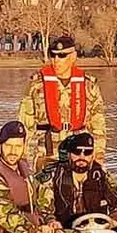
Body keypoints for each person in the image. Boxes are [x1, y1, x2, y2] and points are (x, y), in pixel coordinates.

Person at [18, 35, 107, 172]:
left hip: (80, 153)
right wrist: (24, 161)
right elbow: (25, 124)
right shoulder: (36, 85)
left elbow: (98, 125)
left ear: (73, 57)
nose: (56, 60)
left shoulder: (89, 85)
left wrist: (98, 157)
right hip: (46, 153)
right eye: (53, 56)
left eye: (62, 56)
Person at [50, 133, 117, 229]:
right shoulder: (56, 175)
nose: (82, 157)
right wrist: (52, 221)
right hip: (65, 230)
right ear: (69, 154)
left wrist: (113, 220)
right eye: (77, 152)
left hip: (98, 229)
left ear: (92, 155)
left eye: (87, 152)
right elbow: (43, 208)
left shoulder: (102, 175)